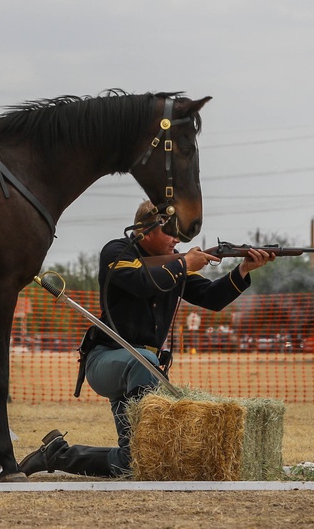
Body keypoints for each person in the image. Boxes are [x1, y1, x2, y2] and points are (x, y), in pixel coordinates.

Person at [19, 200, 275, 478]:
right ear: (145, 231)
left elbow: (211, 297)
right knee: (145, 362)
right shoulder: (117, 252)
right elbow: (142, 283)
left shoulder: (174, 262)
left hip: (143, 370)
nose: (177, 239)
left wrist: (243, 270)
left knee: (137, 461)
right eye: (171, 232)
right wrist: (184, 262)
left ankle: (57, 455)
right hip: (107, 359)